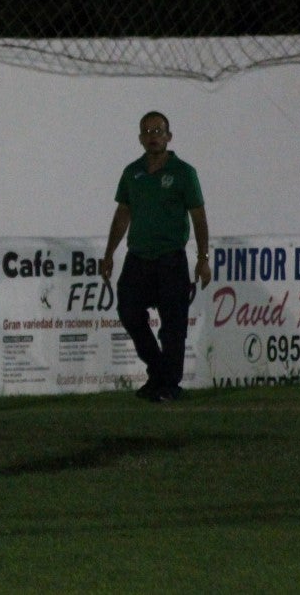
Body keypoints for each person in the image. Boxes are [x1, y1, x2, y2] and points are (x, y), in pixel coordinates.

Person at [100, 111, 211, 402]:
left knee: (173, 325)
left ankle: (168, 385)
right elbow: (123, 214)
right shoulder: (132, 172)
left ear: (169, 136)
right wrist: (110, 252)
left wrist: (203, 258)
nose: (153, 135)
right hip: (138, 258)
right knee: (129, 312)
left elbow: (198, 217)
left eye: (158, 130)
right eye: (147, 131)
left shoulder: (184, 172)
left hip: (171, 258)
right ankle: (159, 371)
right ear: (140, 138)